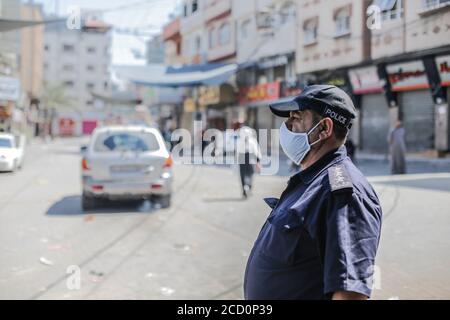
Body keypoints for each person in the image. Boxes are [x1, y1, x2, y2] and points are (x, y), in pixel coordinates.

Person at [244, 85, 383, 300]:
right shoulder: (311, 179)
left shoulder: (344, 193)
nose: (287, 126)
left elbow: (349, 293)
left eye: (296, 118)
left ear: (324, 128)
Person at [236, 125, 262, 198]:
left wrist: (258, 162)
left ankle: (246, 188)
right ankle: (247, 187)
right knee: (248, 173)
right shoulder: (250, 140)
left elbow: (237, 152)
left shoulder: (242, 141)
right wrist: (258, 161)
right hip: (247, 157)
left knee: (246, 173)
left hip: (246, 158)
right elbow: (257, 151)